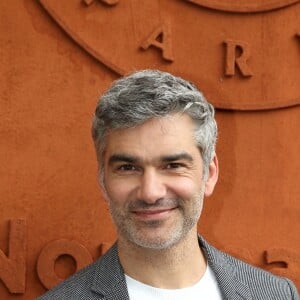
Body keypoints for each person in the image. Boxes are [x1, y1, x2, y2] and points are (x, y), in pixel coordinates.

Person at [37, 70, 299, 299]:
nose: (151, 192)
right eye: (128, 168)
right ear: (103, 181)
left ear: (209, 174)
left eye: (172, 166)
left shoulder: (276, 295)